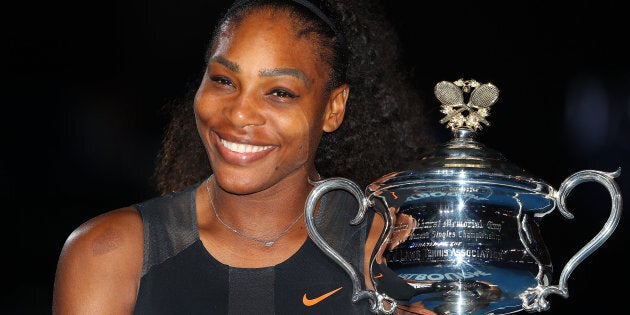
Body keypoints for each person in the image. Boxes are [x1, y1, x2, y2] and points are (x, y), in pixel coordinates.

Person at [52, 0, 437, 314]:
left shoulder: (388, 254)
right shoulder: (109, 253)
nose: (238, 114)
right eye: (223, 81)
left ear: (333, 108)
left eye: (280, 92)